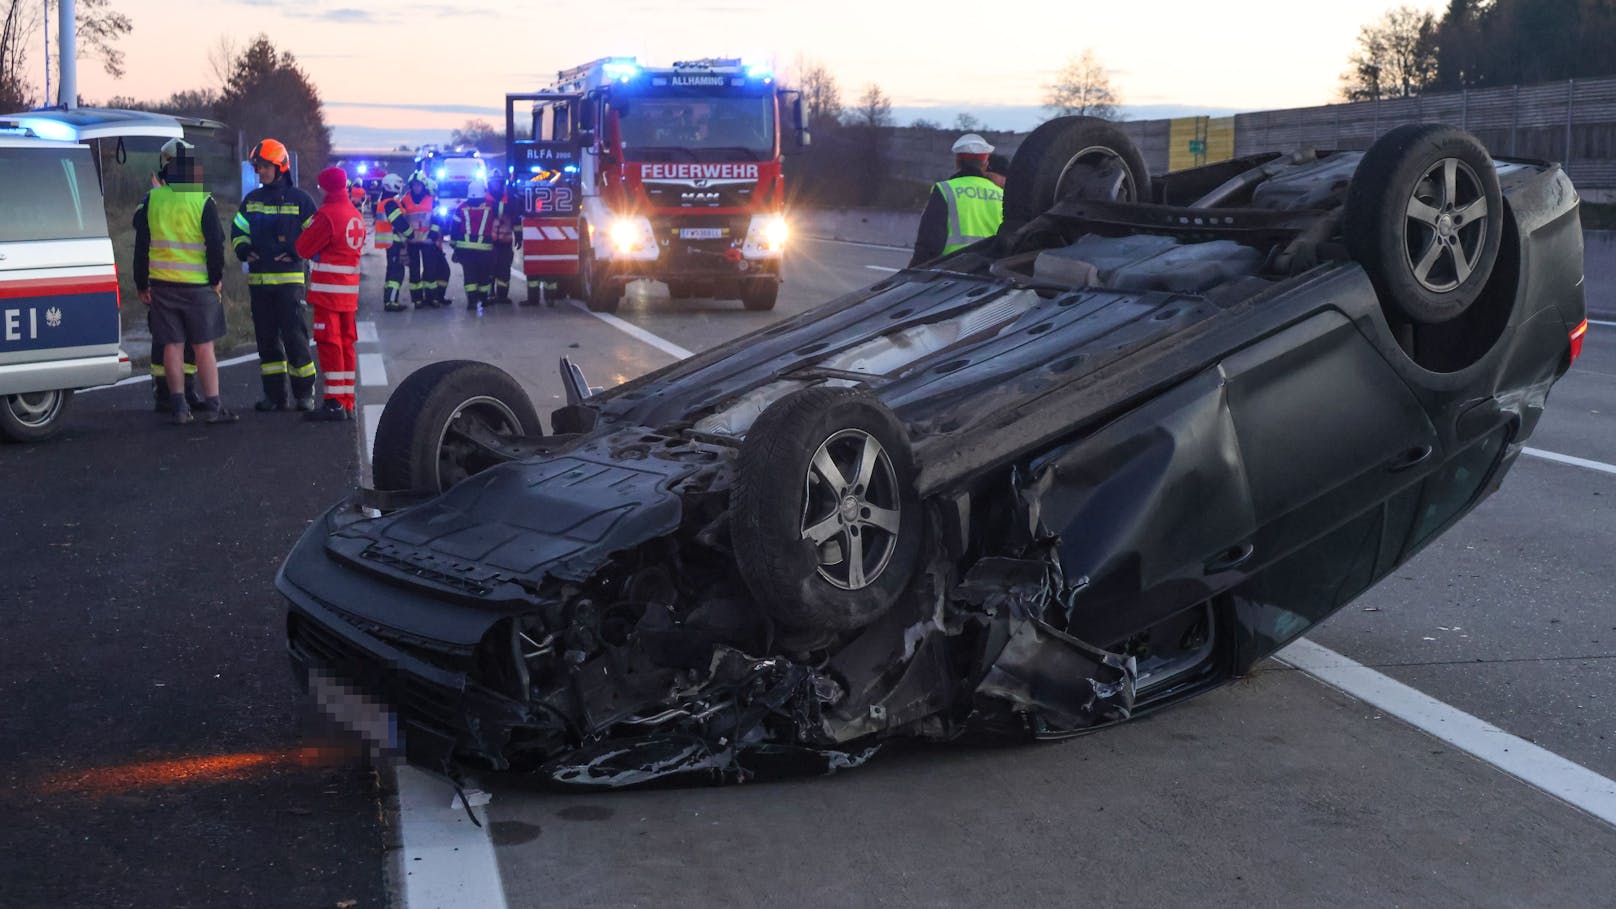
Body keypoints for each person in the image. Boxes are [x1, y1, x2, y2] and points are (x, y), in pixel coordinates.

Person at [132, 139, 238, 425]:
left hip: (162, 285)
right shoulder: (203, 200)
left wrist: (142, 283)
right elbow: (215, 245)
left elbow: (141, 245)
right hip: (198, 286)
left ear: (164, 167)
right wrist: (216, 279)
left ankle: (179, 408)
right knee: (204, 347)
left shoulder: (152, 199)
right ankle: (214, 407)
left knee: (172, 345)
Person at [232, 138, 319, 411]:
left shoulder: (301, 200)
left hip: (289, 285)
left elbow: (315, 235)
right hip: (259, 284)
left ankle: (304, 394)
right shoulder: (252, 200)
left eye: (266, 166)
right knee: (267, 341)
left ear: (281, 166)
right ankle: (275, 396)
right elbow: (238, 231)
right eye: (258, 167)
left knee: (295, 339)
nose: (261, 172)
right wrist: (244, 249)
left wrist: (296, 252)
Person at [295, 167, 364, 422]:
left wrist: (317, 254)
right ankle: (346, 400)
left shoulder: (327, 215)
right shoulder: (354, 214)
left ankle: (333, 403)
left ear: (325, 188)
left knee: (329, 344)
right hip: (349, 294)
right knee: (346, 344)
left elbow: (302, 246)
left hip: (328, 293)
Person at [909, 133, 1005, 267]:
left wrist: (914, 273)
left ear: (957, 162)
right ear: (985, 164)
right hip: (988, 274)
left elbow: (930, 243)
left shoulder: (944, 190)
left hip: (951, 274)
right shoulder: (1001, 195)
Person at [398, 172, 443, 307]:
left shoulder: (432, 199)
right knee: (414, 271)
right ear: (411, 186)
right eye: (414, 185)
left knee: (430, 269)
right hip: (412, 241)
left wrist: (434, 235)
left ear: (423, 186)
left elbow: (437, 219)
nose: (417, 188)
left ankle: (431, 297)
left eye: (419, 185)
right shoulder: (404, 201)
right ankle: (417, 299)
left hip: (428, 241)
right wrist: (404, 239)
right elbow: (402, 221)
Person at [451, 178, 496, 311]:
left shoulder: (461, 208)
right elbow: (502, 212)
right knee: (484, 275)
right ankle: (483, 299)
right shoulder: (490, 206)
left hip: (465, 249)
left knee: (469, 275)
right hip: (485, 249)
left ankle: (471, 302)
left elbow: (454, 227)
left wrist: (454, 246)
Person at [374, 173, 409, 311]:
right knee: (397, 273)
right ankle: (392, 301)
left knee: (391, 273)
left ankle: (388, 299)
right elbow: (399, 222)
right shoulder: (391, 204)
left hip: (389, 243)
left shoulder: (384, 202)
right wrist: (411, 233)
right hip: (394, 242)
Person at [485, 169, 517, 303]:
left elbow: (516, 218)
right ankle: (489, 293)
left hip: (505, 241)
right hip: (489, 240)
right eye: (494, 183)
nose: (496, 185)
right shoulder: (484, 198)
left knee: (504, 269)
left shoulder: (510, 198)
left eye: (498, 182)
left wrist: (519, 235)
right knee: (489, 268)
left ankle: (502, 296)